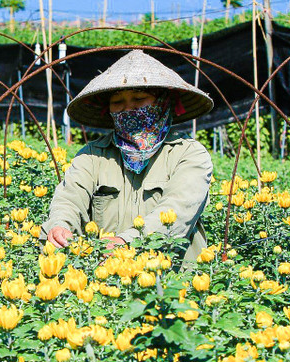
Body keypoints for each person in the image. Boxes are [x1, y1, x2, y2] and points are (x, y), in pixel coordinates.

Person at [40, 49, 214, 266]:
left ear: (162, 102)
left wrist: (125, 242)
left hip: (173, 281)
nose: (128, 109)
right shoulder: (93, 155)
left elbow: (178, 209)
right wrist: (60, 225)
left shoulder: (189, 154)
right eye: (117, 102)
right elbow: (69, 198)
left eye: (139, 99)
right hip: (105, 281)